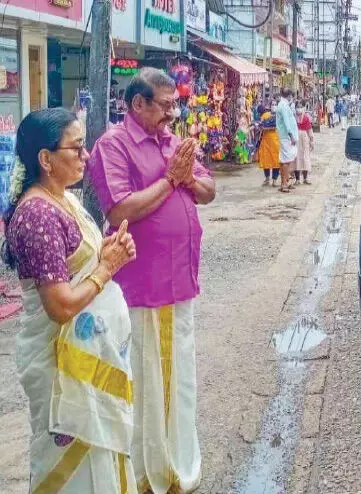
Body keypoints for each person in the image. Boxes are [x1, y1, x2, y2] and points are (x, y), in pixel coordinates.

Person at [87, 67, 216, 494]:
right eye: (164, 105)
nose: (172, 113)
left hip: (180, 283)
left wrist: (188, 178)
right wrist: (170, 181)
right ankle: (148, 474)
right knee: (145, 383)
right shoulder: (114, 145)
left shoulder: (173, 142)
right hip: (143, 289)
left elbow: (209, 189)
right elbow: (119, 210)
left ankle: (177, 463)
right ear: (137, 104)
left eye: (174, 104)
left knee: (179, 380)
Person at [5, 108, 138, 492]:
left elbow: (76, 265)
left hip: (88, 358)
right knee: (71, 470)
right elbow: (60, 306)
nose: (86, 155)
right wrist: (106, 268)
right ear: (45, 159)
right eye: (76, 148)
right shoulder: (38, 214)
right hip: (59, 362)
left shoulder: (63, 199)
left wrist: (107, 253)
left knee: (98, 460)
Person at [277, 87, 299, 193]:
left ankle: (284, 182)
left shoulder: (283, 104)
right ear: (289, 96)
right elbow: (286, 122)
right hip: (287, 137)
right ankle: (284, 184)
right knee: (286, 160)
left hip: (285, 136)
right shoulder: (284, 106)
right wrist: (291, 136)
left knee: (284, 160)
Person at [257, 104, 280, 187]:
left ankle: (267, 179)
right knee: (275, 160)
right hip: (275, 140)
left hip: (266, 140)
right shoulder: (273, 115)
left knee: (266, 160)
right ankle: (274, 180)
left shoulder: (263, 117)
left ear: (259, 113)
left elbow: (261, 129)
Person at [294, 100, 315, 185]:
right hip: (295, 139)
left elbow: (309, 130)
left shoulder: (306, 118)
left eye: (300, 107)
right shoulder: (293, 118)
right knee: (296, 158)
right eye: (297, 107)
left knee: (305, 157)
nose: (299, 108)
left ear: (303, 108)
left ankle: (305, 178)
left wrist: (312, 141)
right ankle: (297, 179)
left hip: (305, 139)